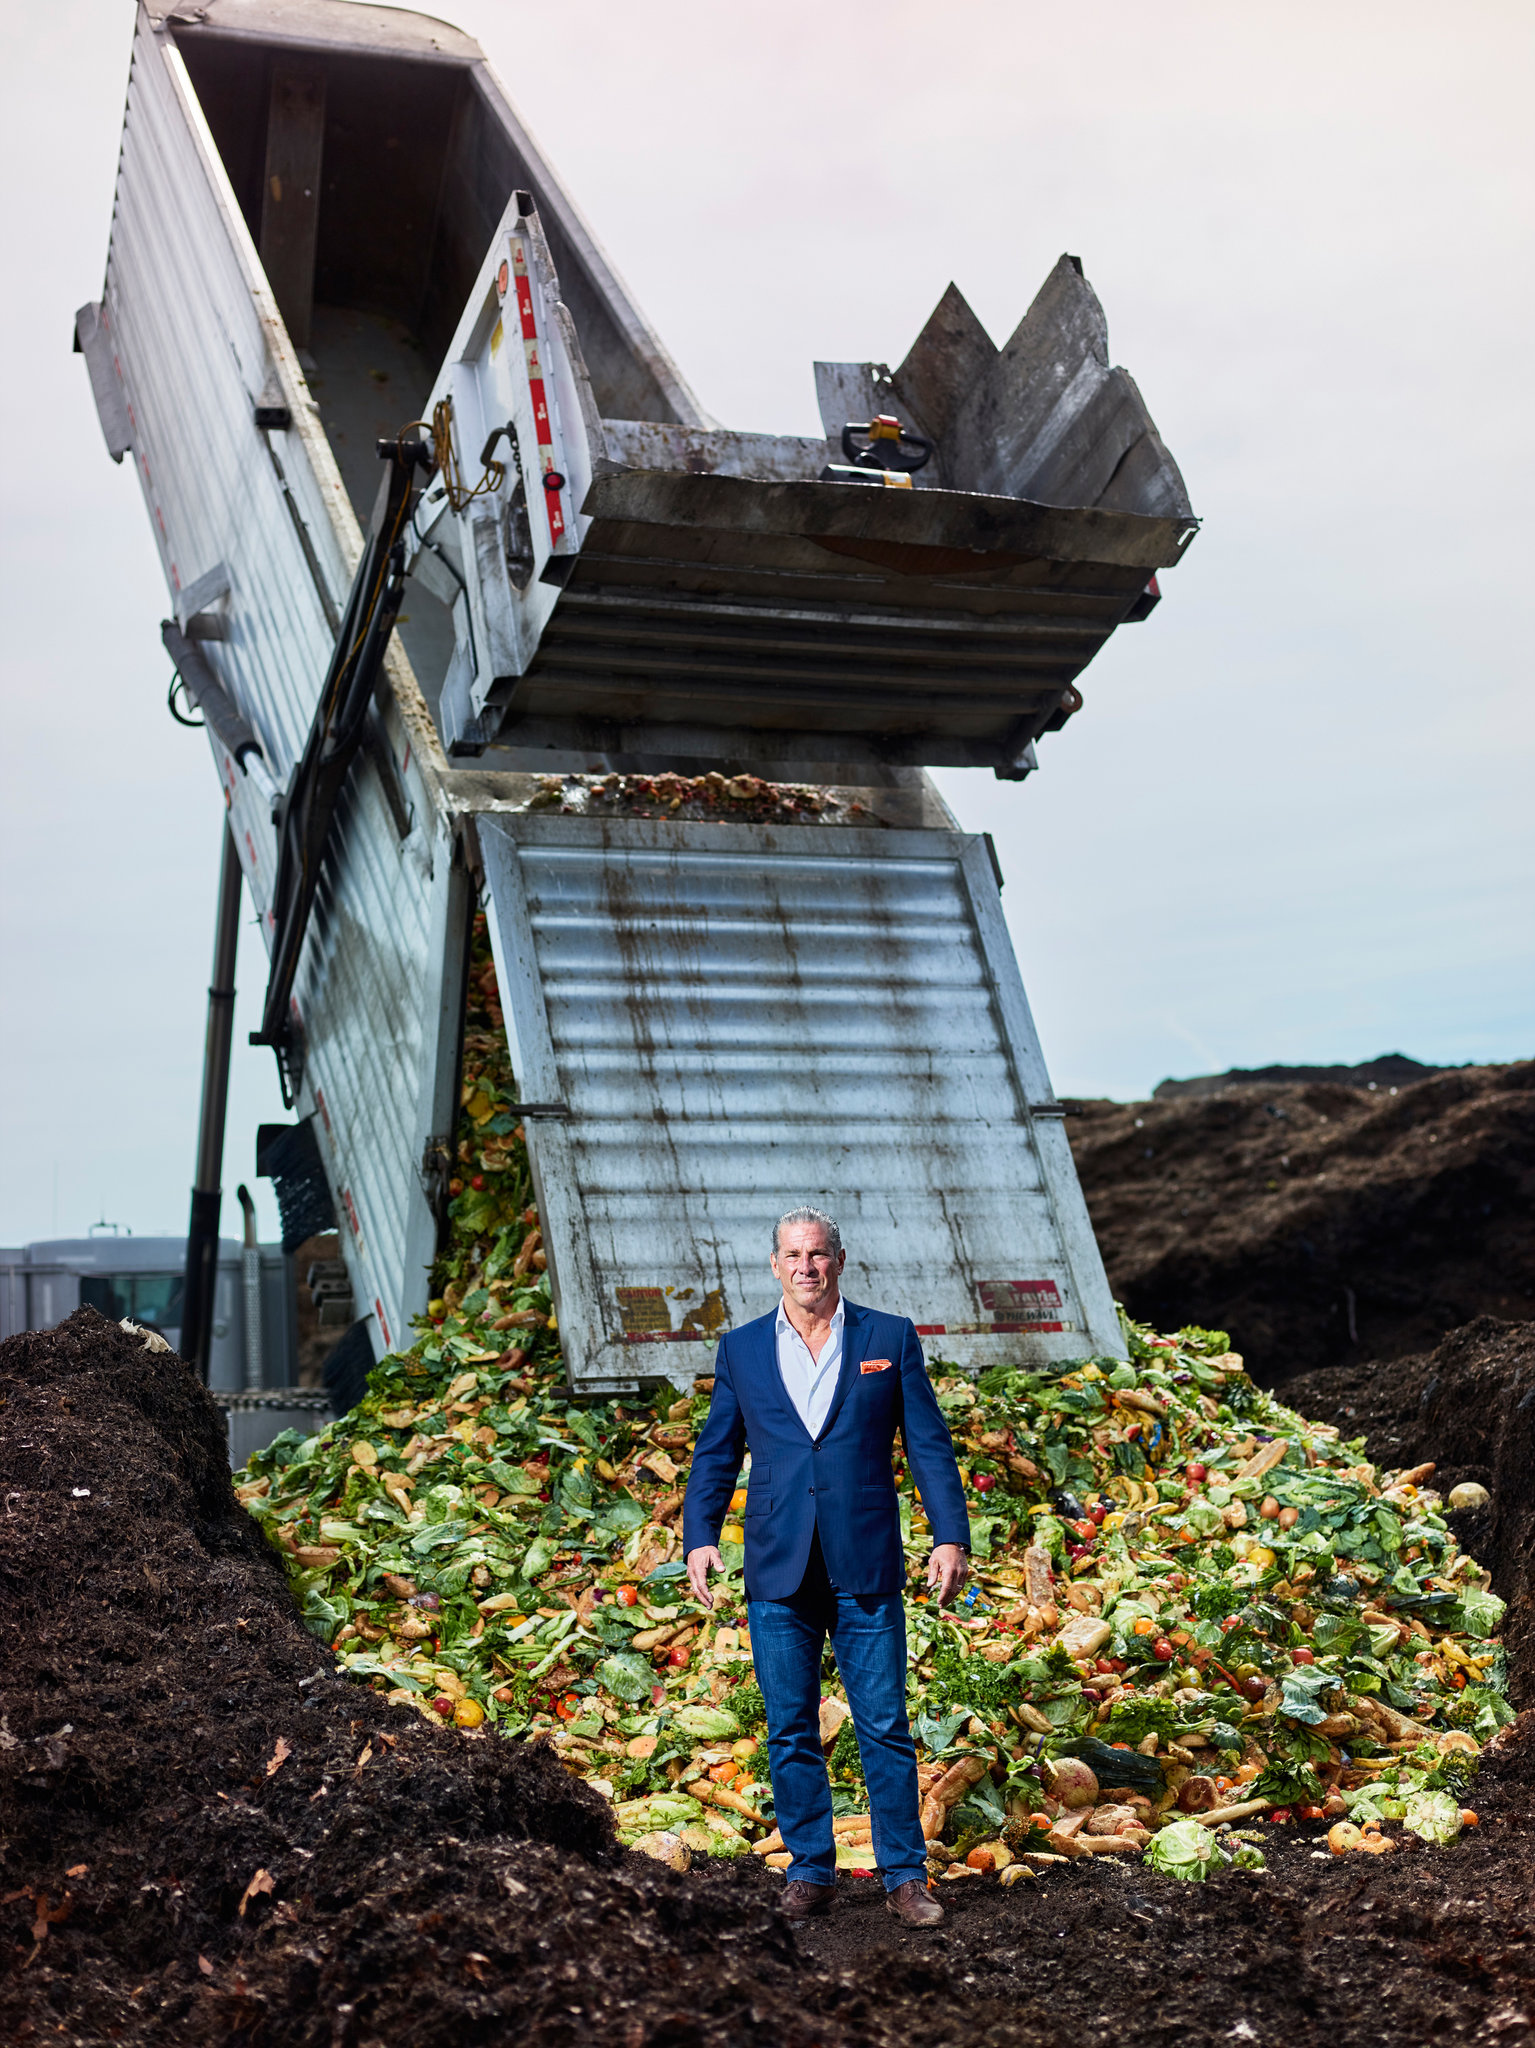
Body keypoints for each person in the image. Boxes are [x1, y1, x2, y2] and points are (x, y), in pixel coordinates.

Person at [682, 1206, 970, 1927]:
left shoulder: (887, 1337)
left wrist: (949, 1535)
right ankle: (810, 1869)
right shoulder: (741, 1349)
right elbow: (717, 1450)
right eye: (792, 1255)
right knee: (789, 1727)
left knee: (883, 1726)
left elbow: (927, 1443)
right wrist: (700, 1534)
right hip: (778, 1563)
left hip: (863, 1560)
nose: (805, 1267)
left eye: (817, 1254)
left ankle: (904, 1877)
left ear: (839, 1260)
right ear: (774, 1265)